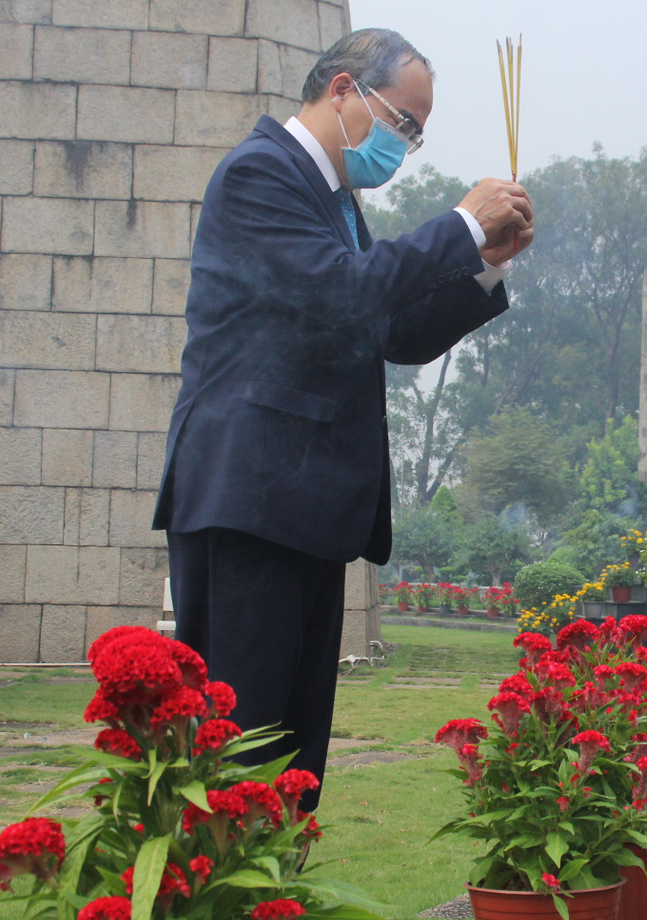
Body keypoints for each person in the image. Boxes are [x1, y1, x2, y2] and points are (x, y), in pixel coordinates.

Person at [151, 28, 534, 814]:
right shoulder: (262, 173)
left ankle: (274, 910)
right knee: (239, 738)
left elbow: (391, 332)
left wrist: (486, 263)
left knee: (293, 756)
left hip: (307, 506)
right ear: (342, 91)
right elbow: (342, 292)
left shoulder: (336, 205)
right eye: (402, 122)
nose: (407, 145)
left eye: (417, 134)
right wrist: (458, 224)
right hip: (248, 498)